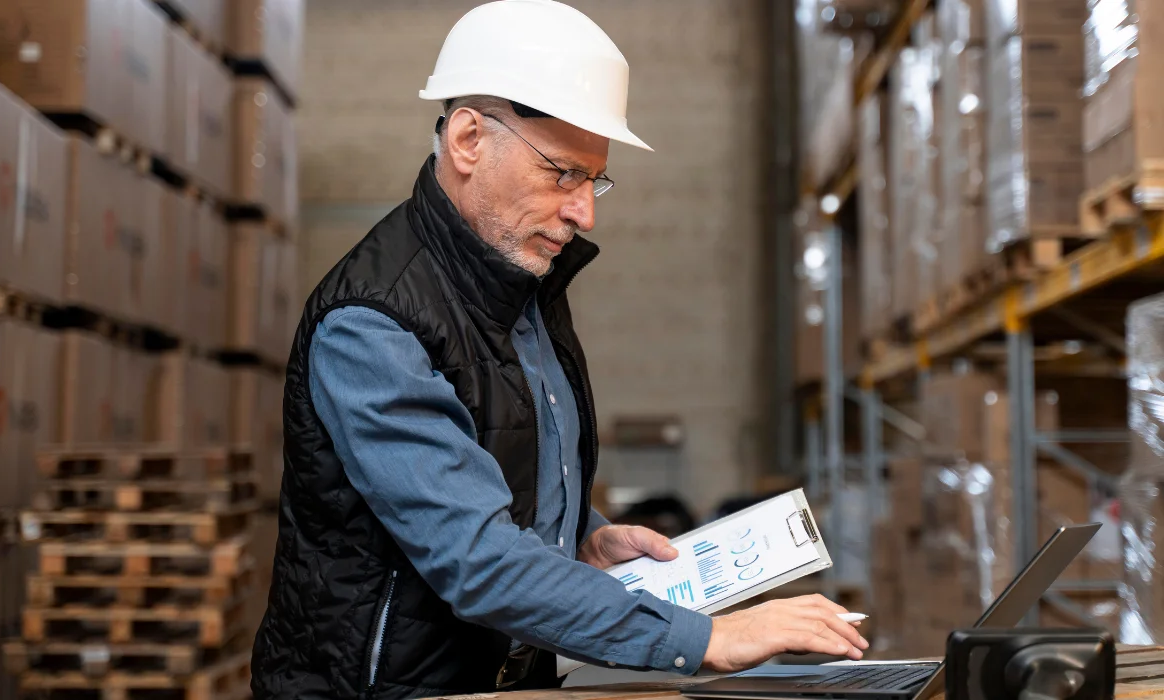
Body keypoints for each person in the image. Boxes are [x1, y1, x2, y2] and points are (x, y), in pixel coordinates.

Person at [250, 2, 868, 698]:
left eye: (593, 180)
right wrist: (709, 638)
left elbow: (492, 469)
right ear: (468, 139)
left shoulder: (521, 282)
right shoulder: (371, 323)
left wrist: (578, 535)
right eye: (562, 173)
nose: (585, 212)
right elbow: (477, 559)